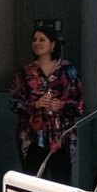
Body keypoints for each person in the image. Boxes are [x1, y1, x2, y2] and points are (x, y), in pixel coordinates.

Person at [8, 22, 84, 182]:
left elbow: (80, 105)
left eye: (42, 40)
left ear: (53, 44)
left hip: (61, 135)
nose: (37, 43)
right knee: (33, 180)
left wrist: (61, 105)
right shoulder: (26, 72)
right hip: (32, 135)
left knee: (61, 180)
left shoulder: (67, 70)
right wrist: (35, 104)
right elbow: (13, 103)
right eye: (34, 40)